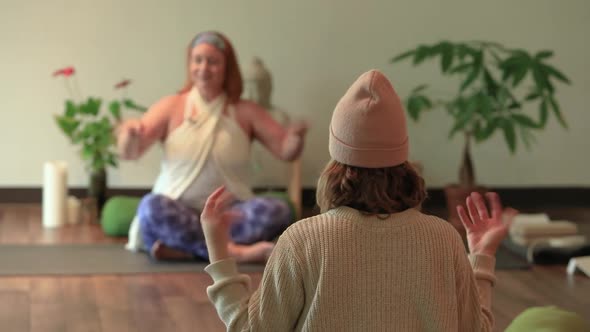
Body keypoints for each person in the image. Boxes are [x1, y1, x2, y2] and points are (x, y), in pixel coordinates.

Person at [200, 69, 515, 331]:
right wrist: (483, 255)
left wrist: (218, 249)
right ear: (404, 164)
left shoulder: (301, 241)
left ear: (334, 165)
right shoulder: (443, 239)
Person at [117, 31, 307, 263]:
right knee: (150, 207)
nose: (204, 68)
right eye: (198, 60)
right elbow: (130, 152)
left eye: (213, 61)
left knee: (279, 210)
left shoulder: (245, 111)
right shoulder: (171, 106)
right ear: (190, 64)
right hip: (179, 212)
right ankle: (235, 253)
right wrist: (129, 134)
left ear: (227, 67)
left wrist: (295, 138)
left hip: (228, 217)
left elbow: (285, 151)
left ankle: (187, 251)